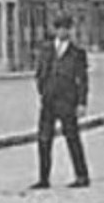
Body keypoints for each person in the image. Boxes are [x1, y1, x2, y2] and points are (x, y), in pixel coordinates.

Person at [32, 12, 90, 189]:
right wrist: (43, 90)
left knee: (72, 138)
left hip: (67, 100)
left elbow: (82, 80)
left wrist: (81, 102)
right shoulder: (47, 50)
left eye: (66, 29)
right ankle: (43, 178)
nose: (62, 32)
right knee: (44, 139)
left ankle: (82, 175)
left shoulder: (77, 53)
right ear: (55, 30)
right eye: (59, 28)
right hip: (49, 100)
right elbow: (40, 73)